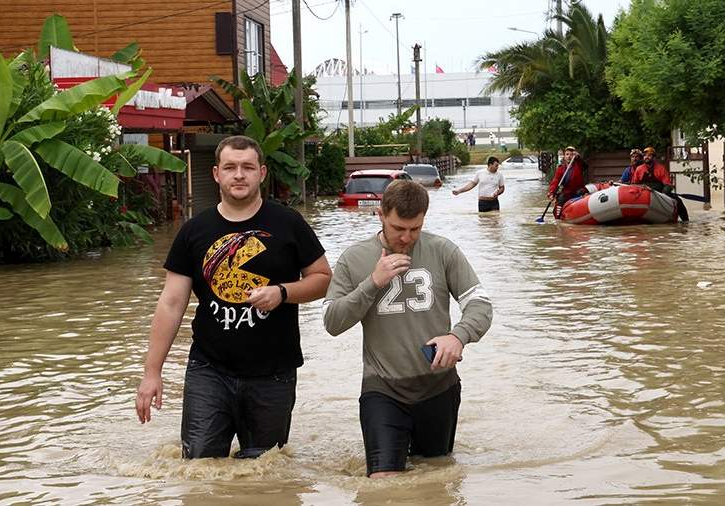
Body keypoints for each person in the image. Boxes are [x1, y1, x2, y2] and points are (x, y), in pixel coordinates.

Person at [135, 135, 333, 459]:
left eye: (247, 167)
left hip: (274, 373)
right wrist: (151, 372)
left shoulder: (288, 223)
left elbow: (323, 279)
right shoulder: (194, 231)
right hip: (209, 370)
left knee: (264, 469)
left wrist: (282, 292)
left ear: (262, 173)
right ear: (216, 174)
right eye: (230, 167)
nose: (239, 175)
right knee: (198, 465)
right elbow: (171, 303)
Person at [323, 180, 492, 478]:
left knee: (436, 478)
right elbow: (332, 322)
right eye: (398, 228)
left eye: (415, 229)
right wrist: (372, 282)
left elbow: (480, 304)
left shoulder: (443, 251)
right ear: (380, 215)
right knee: (384, 483)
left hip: (439, 386)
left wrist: (458, 336)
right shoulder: (354, 258)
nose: (406, 238)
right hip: (382, 388)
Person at [631, 146, 689, 221]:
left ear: (654, 157)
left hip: (658, 194)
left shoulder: (661, 168)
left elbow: (667, 185)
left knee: (679, 201)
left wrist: (664, 194)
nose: (646, 157)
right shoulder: (639, 169)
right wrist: (643, 188)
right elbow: (633, 184)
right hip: (643, 194)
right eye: (645, 155)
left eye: (649, 155)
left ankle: (686, 222)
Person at [547, 146, 586, 210]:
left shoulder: (579, 165)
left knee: (581, 192)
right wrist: (551, 192)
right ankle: (559, 217)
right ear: (564, 156)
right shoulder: (560, 169)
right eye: (567, 154)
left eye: (571, 155)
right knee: (561, 198)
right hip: (567, 191)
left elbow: (584, 166)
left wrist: (578, 157)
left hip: (579, 190)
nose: (569, 156)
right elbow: (555, 181)